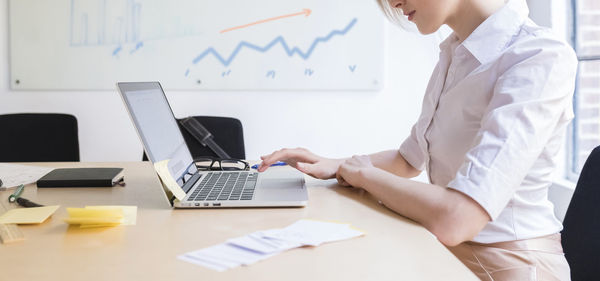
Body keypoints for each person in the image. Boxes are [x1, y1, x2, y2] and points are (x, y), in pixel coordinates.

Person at [257, 0, 577, 280]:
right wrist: (335, 164)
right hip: (447, 253)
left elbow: (458, 218)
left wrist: (363, 174)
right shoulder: (454, 53)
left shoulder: (537, 57)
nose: (394, 3)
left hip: (511, 265)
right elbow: (409, 160)